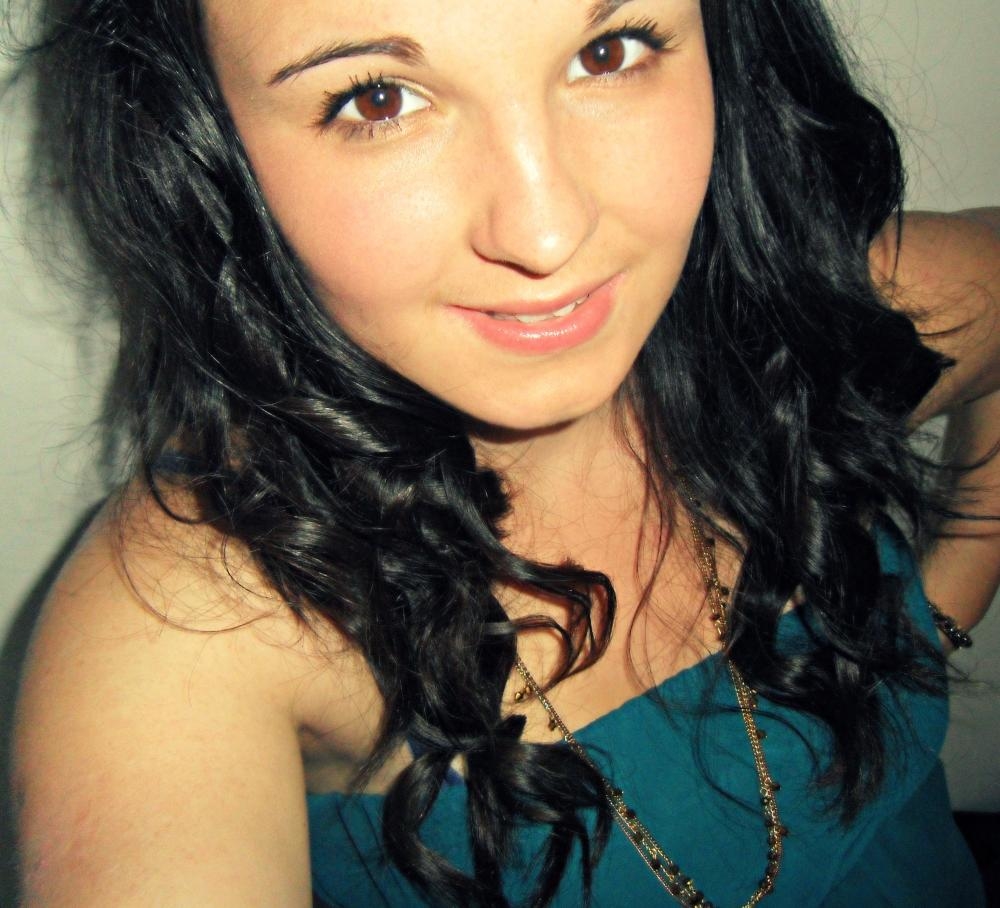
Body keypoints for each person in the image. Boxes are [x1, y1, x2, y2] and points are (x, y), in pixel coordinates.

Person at [10, 0, 999, 905]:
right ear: (207, 144)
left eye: (607, 52)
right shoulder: (192, 625)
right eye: (378, 98)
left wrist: (944, 606)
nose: (546, 231)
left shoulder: (801, 332)